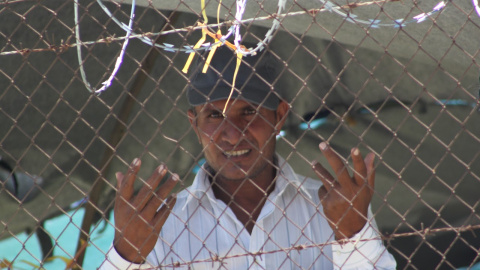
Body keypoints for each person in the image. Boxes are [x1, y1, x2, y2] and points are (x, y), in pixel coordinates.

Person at [100, 45, 397, 269]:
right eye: (215, 115)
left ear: (279, 116)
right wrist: (125, 255)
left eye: (249, 111)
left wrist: (353, 236)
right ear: (194, 123)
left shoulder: (334, 206)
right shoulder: (160, 224)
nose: (232, 133)